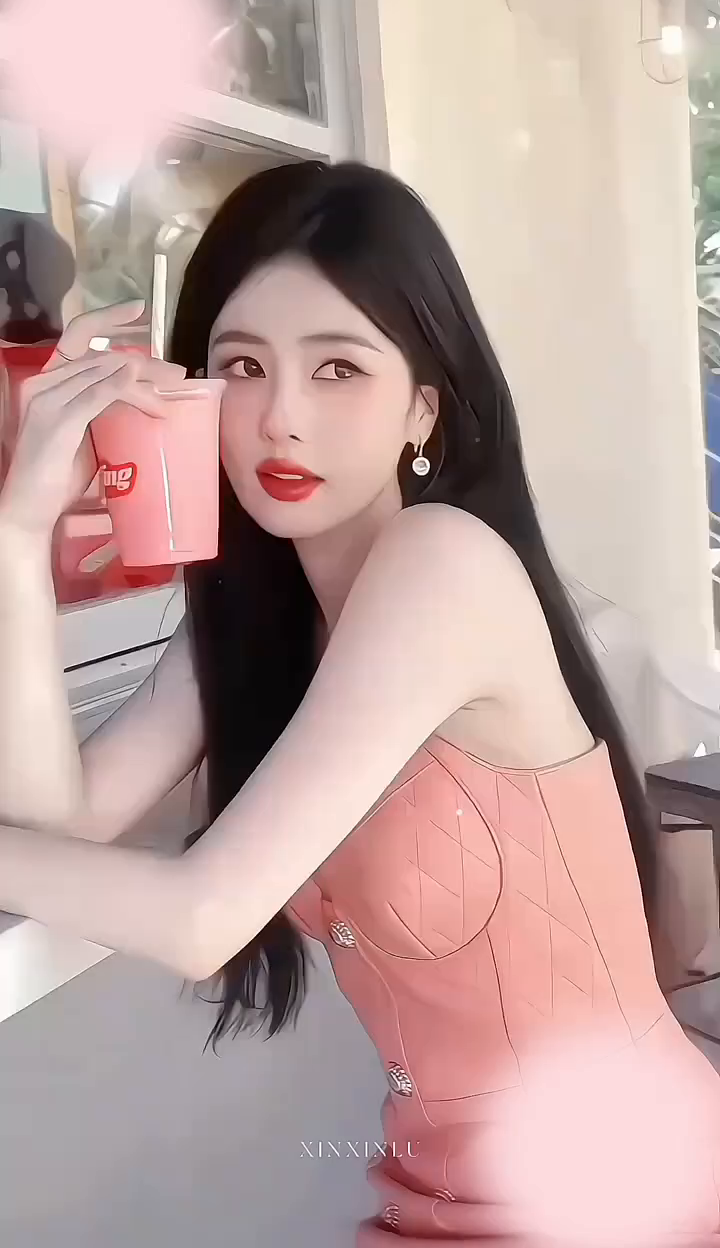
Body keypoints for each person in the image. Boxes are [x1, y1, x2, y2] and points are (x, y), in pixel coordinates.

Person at [0, 160, 718, 1246]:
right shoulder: (260, 620)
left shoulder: (445, 564)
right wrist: (21, 529)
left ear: (423, 404)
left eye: (338, 367)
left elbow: (200, 918)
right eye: (242, 367)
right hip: (440, 1200)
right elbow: (56, 824)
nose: (281, 419)